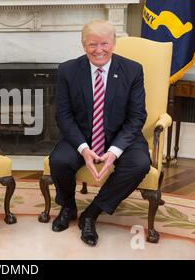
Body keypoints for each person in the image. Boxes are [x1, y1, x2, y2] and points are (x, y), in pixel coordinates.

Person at [50, 20, 151, 246]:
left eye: (104, 43)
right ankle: (68, 206)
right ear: (83, 45)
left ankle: (92, 213)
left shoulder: (132, 70)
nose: (99, 50)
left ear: (114, 43)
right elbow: (63, 116)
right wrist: (83, 148)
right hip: (82, 135)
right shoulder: (67, 70)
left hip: (121, 135)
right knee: (59, 160)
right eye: (92, 44)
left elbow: (137, 117)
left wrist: (114, 151)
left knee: (139, 164)